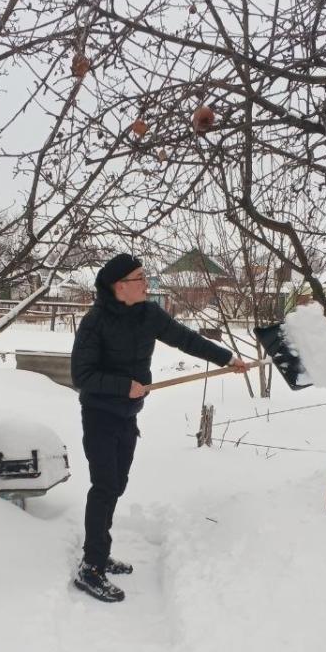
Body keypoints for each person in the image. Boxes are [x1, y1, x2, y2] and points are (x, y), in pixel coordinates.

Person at [70, 252, 249, 603]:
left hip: (128, 415)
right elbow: (82, 376)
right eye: (140, 277)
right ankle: (91, 566)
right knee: (105, 486)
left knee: (117, 484)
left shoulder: (148, 314)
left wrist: (227, 359)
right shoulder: (95, 322)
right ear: (121, 286)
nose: (147, 282)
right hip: (100, 415)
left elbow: (186, 339)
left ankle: (100, 553)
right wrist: (124, 386)